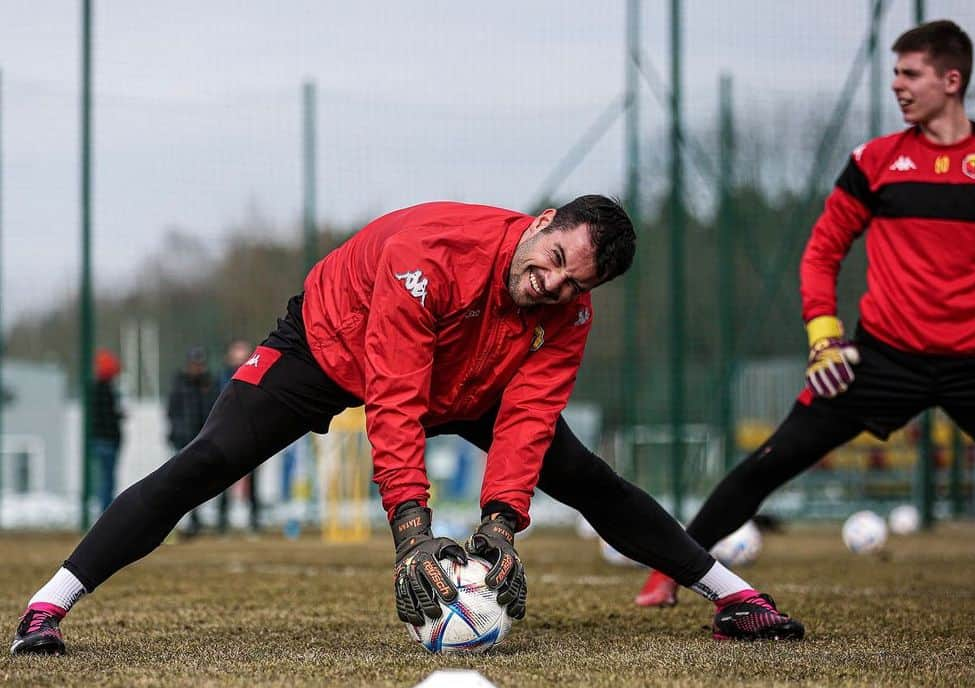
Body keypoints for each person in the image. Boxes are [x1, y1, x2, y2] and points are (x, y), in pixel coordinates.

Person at [11, 196, 804, 657]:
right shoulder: (431, 253)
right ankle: (48, 605)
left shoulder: (567, 312)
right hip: (333, 345)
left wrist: (499, 522)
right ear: (545, 219)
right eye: (555, 255)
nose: (551, 281)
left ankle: (735, 596)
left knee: (590, 478)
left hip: (473, 378)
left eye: (572, 279)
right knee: (208, 459)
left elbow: (529, 417)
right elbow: (395, 395)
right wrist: (412, 529)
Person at [636, 20, 975, 607]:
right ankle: (668, 574)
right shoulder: (874, 161)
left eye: (909, 73)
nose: (896, 84)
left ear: (951, 80)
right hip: (881, 360)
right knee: (769, 462)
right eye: (894, 72)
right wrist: (825, 340)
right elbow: (821, 253)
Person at [166, 346, 216, 536]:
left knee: (196, 483)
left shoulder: (208, 385)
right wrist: (176, 433)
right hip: (183, 439)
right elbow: (172, 412)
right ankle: (173, 521)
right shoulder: (180, 385)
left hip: (201, 439)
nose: (197, 368)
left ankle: (194, 521)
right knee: (179, 482)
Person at [214, 339, 260, 532]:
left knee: (252, 481)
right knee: (223, 478)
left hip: (252, 434)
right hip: (228, 434)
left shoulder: (256, 375)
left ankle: (254, 518)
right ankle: (222, 519)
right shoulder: (224, 379)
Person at [90, 349, 124, 514]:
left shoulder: (96, 389)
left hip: (101, 440)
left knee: (105, 480)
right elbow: (108, 417)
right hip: (108, 440)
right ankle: (106, 514)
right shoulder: (106, 390)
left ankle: (105, 513)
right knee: (107, 481)